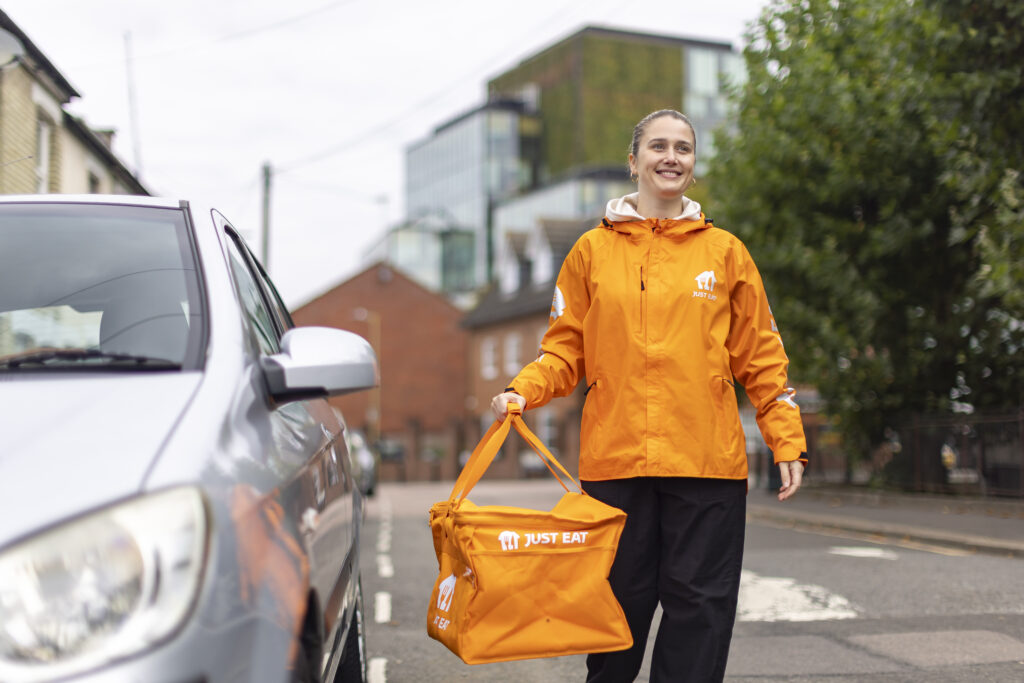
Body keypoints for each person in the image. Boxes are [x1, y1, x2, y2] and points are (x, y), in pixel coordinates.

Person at [491, 109, 807, 682]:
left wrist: (785, 440)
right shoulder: (590, 252)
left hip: (707, 465)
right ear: (633, 162)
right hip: (615, 464)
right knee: (616, 611)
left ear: (692, 166)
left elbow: (761, 356)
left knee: (700, 612)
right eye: (658, 146)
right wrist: (522, 392)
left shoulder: (726, 253)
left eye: (683, 148)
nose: (671, 156)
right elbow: (564, 351)